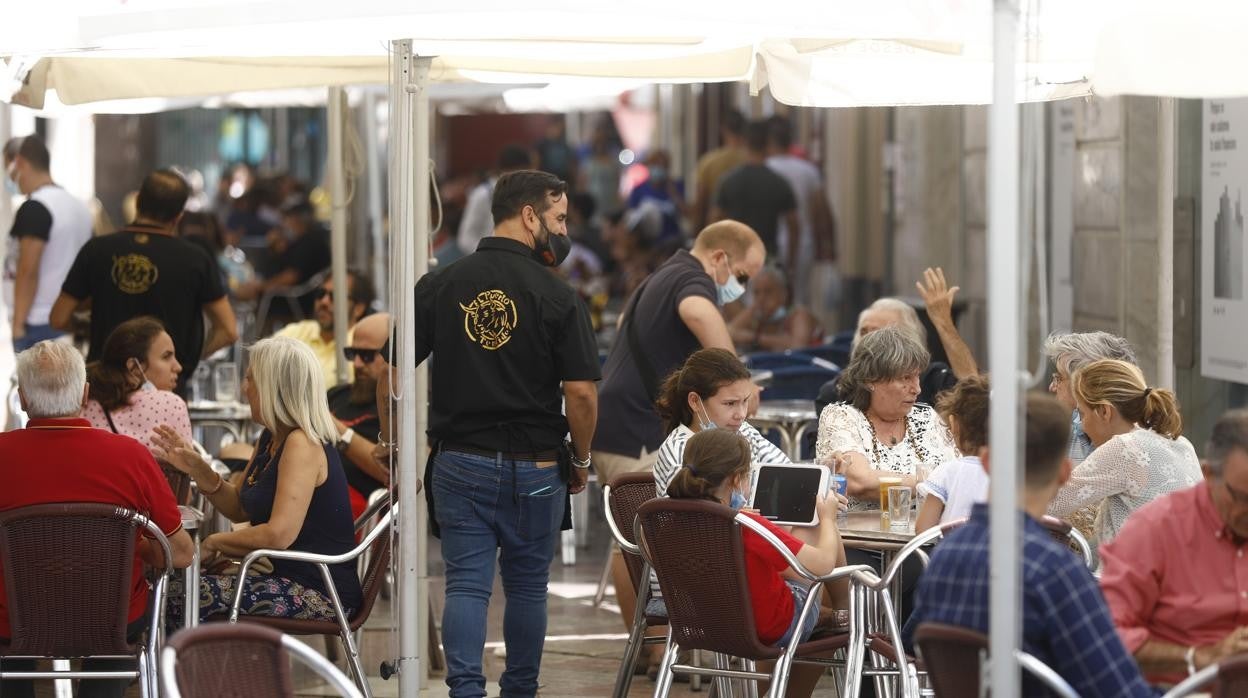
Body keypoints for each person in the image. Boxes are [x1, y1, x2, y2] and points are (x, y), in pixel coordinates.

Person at [379, 169, 600, 698]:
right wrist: (583, 460)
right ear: (529, 216)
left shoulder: (441, 284)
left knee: (467, 587)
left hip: (459, 462)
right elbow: (584, 394)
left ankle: (465, 691)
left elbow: (390, 371)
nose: (564, 230)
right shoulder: (558, 294)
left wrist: (392, 446)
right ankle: (520, 690)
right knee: (527, 588)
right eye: (559, 218)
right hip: (539, 464)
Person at [903, 393, 1157, 698]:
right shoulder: (1058, 571)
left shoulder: (946, 556)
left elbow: (913, 641)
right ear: (1064, 473)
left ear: (987, 462)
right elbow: (1117, 689)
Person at [0, 341, 194, 698]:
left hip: (12, 621)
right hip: (113, 620)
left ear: (23, 398)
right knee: (118, 613)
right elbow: (181, 553)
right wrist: (132, 546)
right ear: (84, 393)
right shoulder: (131, 457)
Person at [153, 336, 361, 627]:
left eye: (250, 379)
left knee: (173, 596)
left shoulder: (302, 443)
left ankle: (185, 672)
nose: (244, 388)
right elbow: (240, 508)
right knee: (170, 589)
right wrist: (199, 469)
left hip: (318, 591)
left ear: (273, 387)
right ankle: (191, 671)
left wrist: (216, 542)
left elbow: (278, 535)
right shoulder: (273, 437)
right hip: (283, 576)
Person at [665, 428, 847, 698]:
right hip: (772, 626)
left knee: (783, 546)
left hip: (709, 623)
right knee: (813, 528)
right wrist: (829, 518)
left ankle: (836, 616)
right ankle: (844, 614)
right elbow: (822, 565)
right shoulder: (746, 526)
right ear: (738, 479)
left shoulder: (668, 520)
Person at [594, 220, 766, 486]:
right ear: (719, 258)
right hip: (639, 431)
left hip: (612, 421)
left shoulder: (664, 274)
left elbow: (622, 322)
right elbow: (695, 311)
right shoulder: (694, 279)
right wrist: (740, 383)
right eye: (742, 277)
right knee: (657, 526)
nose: (741, 288)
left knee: (632, 526)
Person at [50, 169, 239, 393]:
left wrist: (91, 327)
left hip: (106, 388)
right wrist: (185, 361)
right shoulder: (195, 259)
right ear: (178, 216)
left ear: (138, 201)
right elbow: (228, 330)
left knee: (106, 430)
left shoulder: (96, 250)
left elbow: (59, 317)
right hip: (167, 392)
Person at [1100, 409, 1248, 686]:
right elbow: (1108, 634)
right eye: (1244, 498)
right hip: (1181, 689)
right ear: (1208, 475)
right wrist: (1197, 656)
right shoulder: (1155, 529)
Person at [1047, 359, 1201, 547]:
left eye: (1082, 414)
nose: (1081, 424)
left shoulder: (1125, 448)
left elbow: (1049, 501)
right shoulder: (1181, 443)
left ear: (1105, 411)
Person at [815, 326, 958, 511]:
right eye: (905, 378)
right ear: (871, 380)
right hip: (863, 538)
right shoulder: (841, 416)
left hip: (929, 535)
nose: (917, 389)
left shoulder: (927, 417)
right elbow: (860, 482)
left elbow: (958, 476)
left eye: (917, 377)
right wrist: (935, 484)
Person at [654, 348, 788, 496]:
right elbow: (692, 516)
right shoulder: (679, 450)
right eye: (730, 404)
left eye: (745, 401)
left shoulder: (744, 431)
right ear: (695, 402)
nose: (741, 414)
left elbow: (788, 474)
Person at [3, 135, 92, 351]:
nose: (10, 178)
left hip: (38, 322)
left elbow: (28, 270)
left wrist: (18, 326)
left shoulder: (36, 207)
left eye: (8, 169)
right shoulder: (79, 206)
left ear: (20, 163)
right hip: (68, 317)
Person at [81, 316, 193, 454]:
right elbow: (188, 469)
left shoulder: (84, 403)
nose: (178, 367)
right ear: (134, 367)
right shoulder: (173, 404)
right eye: (166, 357)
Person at [766, 117, 837, 307]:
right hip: (804, 245)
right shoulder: (808, 171)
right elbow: (821, 210)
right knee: (798, 298)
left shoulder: (765, 169)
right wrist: (829, 246)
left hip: (768, 245)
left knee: (766, 298)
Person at [711, 120, 799, 266]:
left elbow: (714, 220)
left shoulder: (728, 181)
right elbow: (794, 227)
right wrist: (790, 264)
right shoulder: (779, 183)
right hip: (768, 258)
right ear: (767, 145)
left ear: (745, 144)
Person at [330, 312, 391, 520]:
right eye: (352, 353)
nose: (356, 364)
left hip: (355, 514)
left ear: (393, 354)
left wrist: (335, 429)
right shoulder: (337, 394)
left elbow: (391, 471)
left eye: (366, 356)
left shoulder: (401, 411)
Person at [1043, 330, 1138, 464]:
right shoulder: (1060, 435)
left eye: (1059, 378)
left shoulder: (1141, 446)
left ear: (1086, 383)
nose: (1052, 387)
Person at [915, 374, 990, 532]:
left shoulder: (946, 471)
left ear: (954, 425)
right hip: (999, 555)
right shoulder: (1013, 476)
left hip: (953, 553)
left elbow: (923, 529)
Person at [275, 270, 375, 388]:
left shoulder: (361, 349)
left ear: (358, 308)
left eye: (335, 296)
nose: (324, 301)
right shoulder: (297, 331)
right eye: (321, 293)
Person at [235, 197, 331, 315]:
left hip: (294, 298)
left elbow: (291, 276)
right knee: (243, 290)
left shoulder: (309, 242)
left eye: (288, 218)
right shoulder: (300, 241)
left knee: (243, 292)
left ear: (298, 220)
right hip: (287, 294)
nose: (285, 223)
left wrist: (263, 286)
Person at [457, 144, 534, 255]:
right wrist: (487, 256)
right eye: (520, 172)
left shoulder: (527, 195)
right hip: (486, 262)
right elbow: (465, 238)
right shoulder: (482, 195)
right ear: (505, 170)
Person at [727, 264, 822, 352]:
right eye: (757, 293)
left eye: (768, 291)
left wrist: (755, 338)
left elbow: (798, 346)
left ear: (783, 293)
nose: (761, 298)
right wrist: (753, 308)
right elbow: (729, 333)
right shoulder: (759, 319)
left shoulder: (799, 315)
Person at [692, 108, 747, 231]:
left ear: (724, 130)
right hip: (749, 233)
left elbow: (700, 204)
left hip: (718, 231)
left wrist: (695, 232)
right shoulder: (751, 161)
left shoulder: (710, 162)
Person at [625, 149, 685, 244]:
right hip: (648, 243)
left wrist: (673, 193)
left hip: (672, 240)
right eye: (655, 165)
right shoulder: (639, 190)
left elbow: (685, 213)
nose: (659, 168)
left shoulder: (677, 186)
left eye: (663, 166)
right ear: (649, 166)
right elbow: (631, 219)